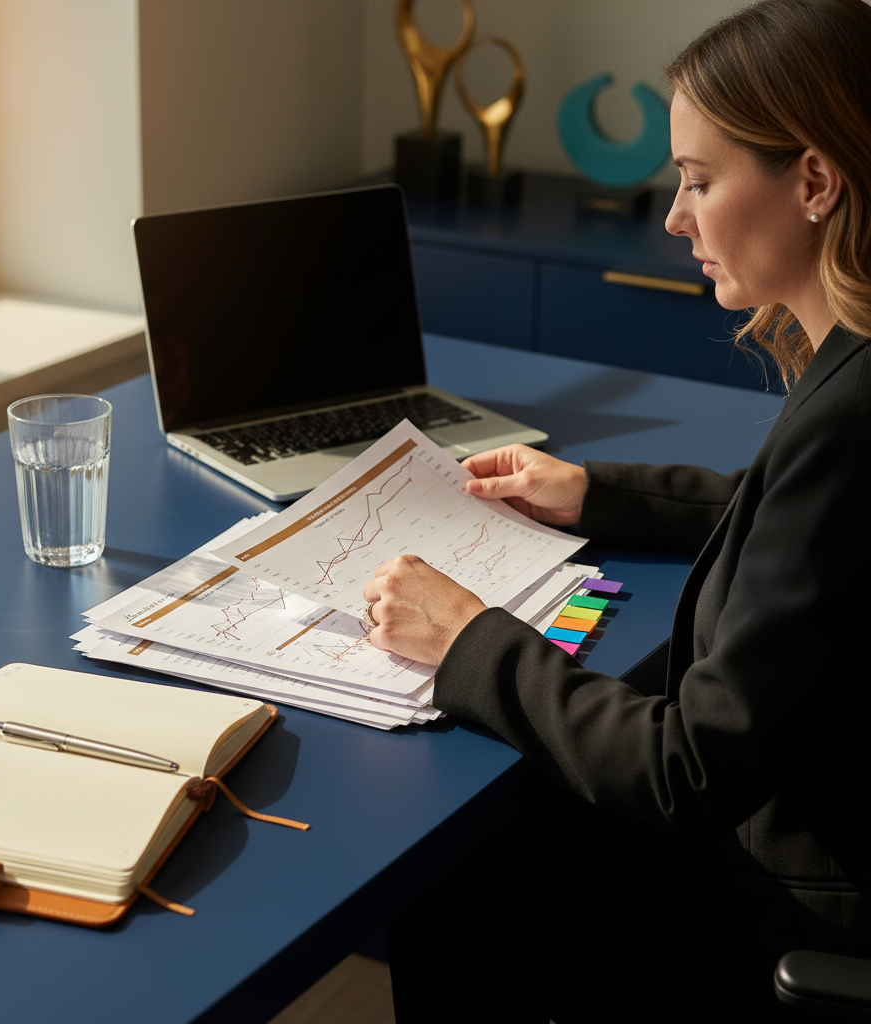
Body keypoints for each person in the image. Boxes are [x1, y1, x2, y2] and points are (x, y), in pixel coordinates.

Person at [364, 1, 871, 1020]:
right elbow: (793, 526)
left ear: (813, 182)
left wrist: (470, 639)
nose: (676, 218)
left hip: (797, 912)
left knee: (454, 895)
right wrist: (594, 491)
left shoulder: (852, 419)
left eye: (697, 180)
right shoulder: (849, 382)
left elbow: (686, 767)